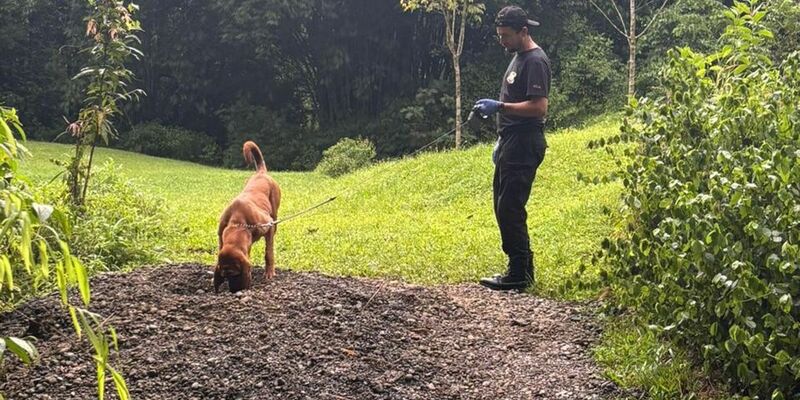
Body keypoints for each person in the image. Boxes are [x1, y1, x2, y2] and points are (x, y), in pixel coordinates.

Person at [473, 5, 551, 291]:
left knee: (510, 207)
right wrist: (501, 136)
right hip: (510, 141)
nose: (502, 41)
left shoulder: (535, 61)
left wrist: (501, 107)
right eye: (499, 36)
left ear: (523, 32)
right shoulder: (518, 56)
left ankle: (520, 272)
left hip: (525, 142)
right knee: (501, 205)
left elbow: (539, 107)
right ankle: (519, 268)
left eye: (506, 36)